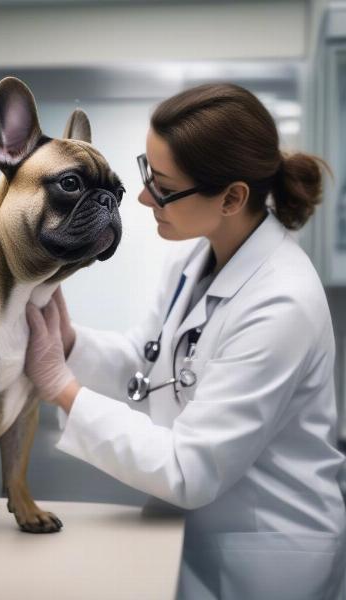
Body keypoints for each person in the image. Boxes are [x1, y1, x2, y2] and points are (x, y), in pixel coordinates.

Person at [23, 83, 346, 600]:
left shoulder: (283, 302)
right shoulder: (194, 256)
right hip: (191, 537)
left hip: (267, 562)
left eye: (164, 186)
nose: (145, 195)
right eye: (146, 171)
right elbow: (149, 362)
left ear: (232, 198)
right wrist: (69, 345)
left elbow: (189, 469)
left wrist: (63, 388)